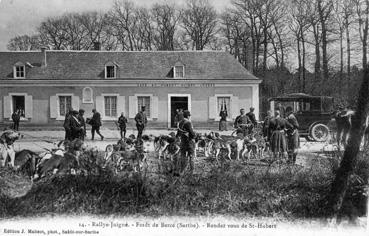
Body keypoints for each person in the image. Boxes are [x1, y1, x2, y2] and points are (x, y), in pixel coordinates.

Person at [176, 110, 196, 175]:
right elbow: (192, 133)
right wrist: (195, 135)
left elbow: (178, 134)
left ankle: (182, 171)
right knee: (191, 156)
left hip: (183, 142)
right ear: (188, 116)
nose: (189, 117)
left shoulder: (180, 123)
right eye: (189, 115)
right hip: (189, 142)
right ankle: (192, 171)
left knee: (183, 156)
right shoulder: (188, 123)